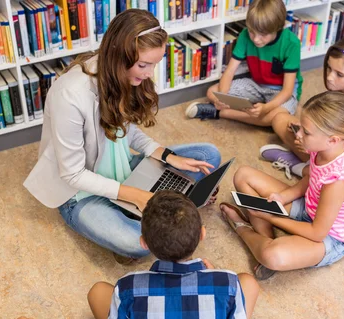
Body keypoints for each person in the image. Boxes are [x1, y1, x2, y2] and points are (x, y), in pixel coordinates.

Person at [23, 9, 221, 264]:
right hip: (79, 193)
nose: (149, 74)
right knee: (136, 243)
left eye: (153, 65)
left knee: (207, 155)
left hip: (123, 170)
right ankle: (155, 207)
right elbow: (72, 174)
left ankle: (152, 207)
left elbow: (124, 131)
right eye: (143, 65)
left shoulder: (122, 75)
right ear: (120, 55)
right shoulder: (70, 95)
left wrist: (169, 157)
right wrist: (135, 196)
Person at [87, 191, 260, 319]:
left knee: (99, 291)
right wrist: (212, 277)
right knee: (247, 283)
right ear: (202, 234)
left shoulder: (129, 286)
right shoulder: (227, 282)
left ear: (144, 243)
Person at [221, 91, 344, 280]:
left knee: (273, 256)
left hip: (329, 237)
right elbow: (310, 179)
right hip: (310, 208)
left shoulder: (339, 181)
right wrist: (283, 197)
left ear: (332, 139)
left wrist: (271, 217)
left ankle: (243, 228)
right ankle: (267, 239)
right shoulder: (323, 147)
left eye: (306, 132)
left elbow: (317, 233)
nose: (298, 135)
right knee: (243, 175)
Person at [261, 36, 344, 191]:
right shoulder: (343, 90)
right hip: (332, 144)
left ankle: (301, 168)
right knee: (280, 119)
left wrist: (314, 146)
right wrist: (308, 131)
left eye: (339, 74)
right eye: (329, 68)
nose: (329, 77)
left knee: (319, 166)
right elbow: (331, 124)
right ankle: (307, 164)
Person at [185, 0, 302, 128]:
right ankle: (226, 110)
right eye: (252, 32)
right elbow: (229, 71)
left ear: (278, 28)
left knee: (274, 117)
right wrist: (222, 98)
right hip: (256, 84)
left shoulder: (292, 43)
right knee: (212, 91)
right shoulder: (245, 35)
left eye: (263, 34)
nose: (256, 39)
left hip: (281, 91)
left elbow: (287, 91)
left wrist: (266, 108)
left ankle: (219, 113)